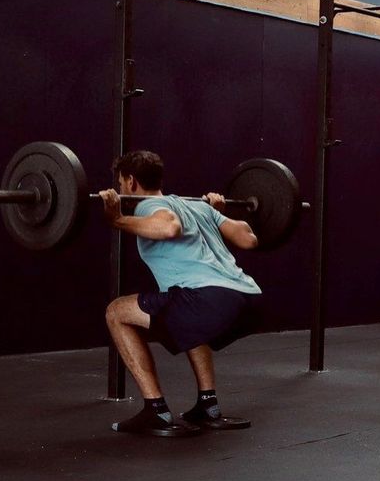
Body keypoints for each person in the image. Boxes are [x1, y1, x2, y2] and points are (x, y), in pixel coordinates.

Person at [100, 150, 264, 438]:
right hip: (247, 299)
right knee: (185, 315)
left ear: (131, 181)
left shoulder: (148, 205)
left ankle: (156, 411)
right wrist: (219, 213)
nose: (121, 188)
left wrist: (117, 220)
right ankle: (208, 407)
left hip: (208, 300)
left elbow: (169, 226)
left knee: (116, 312)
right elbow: (248, 239)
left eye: (121, 182)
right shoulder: (199, 208)